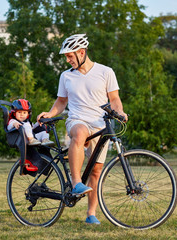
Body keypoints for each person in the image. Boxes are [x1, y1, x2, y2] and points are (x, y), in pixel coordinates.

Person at [37, 34, 127, 225]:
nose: (68, 60)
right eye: (67, 57)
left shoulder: (105, 72)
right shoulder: (66, 76)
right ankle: (76, 182)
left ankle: (91, 214)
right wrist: (50, 113)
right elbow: (61, 102)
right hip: (77, 119)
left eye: (70, 56)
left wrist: (119, 111)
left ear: (82, 52)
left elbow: (114, 99)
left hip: (100, 124)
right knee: (79, 133)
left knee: (96, 171)